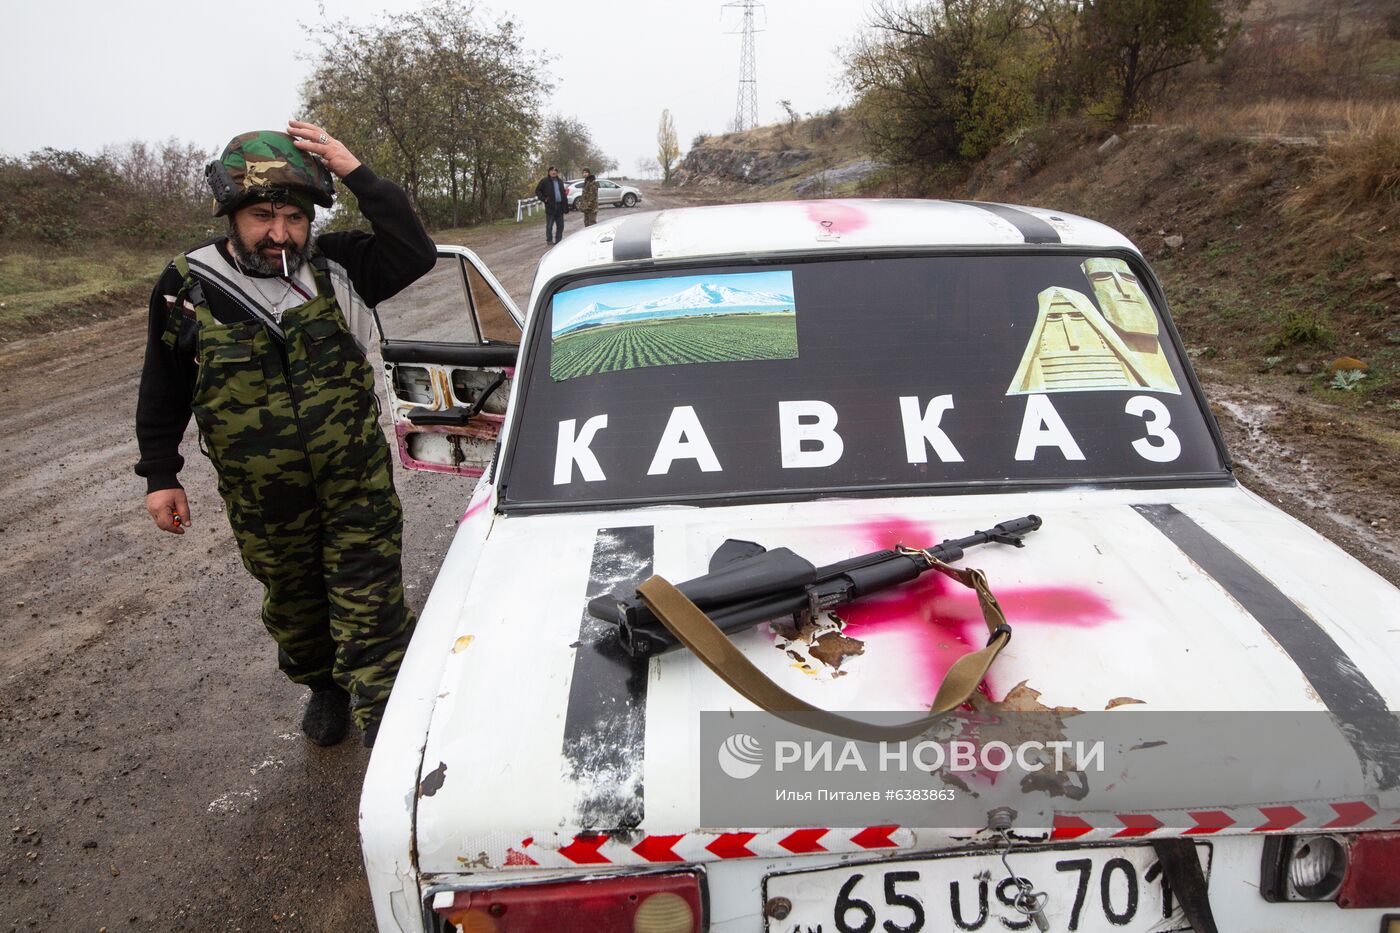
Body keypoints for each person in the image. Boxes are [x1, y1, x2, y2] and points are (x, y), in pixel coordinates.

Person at [135, 121, 435, 748]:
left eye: (294, 218)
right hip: (266, 504)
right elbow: (163, 387)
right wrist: (160, 474)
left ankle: (392, 731)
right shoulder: (188, 286)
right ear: (231, 215)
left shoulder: (341, 266)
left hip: (355, 485)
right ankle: (324, 686)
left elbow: (414, 250)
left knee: (373, 608)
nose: (279, 234)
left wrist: (357, 172)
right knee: (296, 612)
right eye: (262, 217)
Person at [534, 165, 568, 244]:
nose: (554, 172)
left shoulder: (560, 181)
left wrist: (565, 206)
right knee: (549, 225)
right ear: (549, 172)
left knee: (560, 226)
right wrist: (544, 199)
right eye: (552, 171)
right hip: (550, 206)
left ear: (557, 172)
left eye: (555, 171)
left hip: (560, 206)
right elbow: (538, 191)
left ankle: (558, 241)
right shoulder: (545, 181)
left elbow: (563, 193)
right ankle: (549, 240)